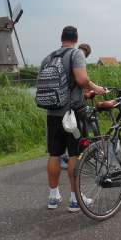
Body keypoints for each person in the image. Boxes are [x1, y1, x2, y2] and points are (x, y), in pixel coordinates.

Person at [41, 26, 106, 212]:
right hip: (72, 114)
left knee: (54, 154)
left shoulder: (49, 57)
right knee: (75, 154)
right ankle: (75, 199)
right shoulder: (76, 54)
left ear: (61, 38)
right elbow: (81, 78)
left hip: (52, 113)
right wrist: (96, 87)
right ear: (76, 38)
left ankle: (53, 197)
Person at [60, 42, 93, 170]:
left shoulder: (73, 60)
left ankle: (74, 154)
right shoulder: (76, 61)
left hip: (68, 102)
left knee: (73, 129)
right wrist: (94, 89)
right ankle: (69, 156)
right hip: (70, 103)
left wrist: (86, 93)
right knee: (73, 129)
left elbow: (78, 83)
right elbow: (81, 80)